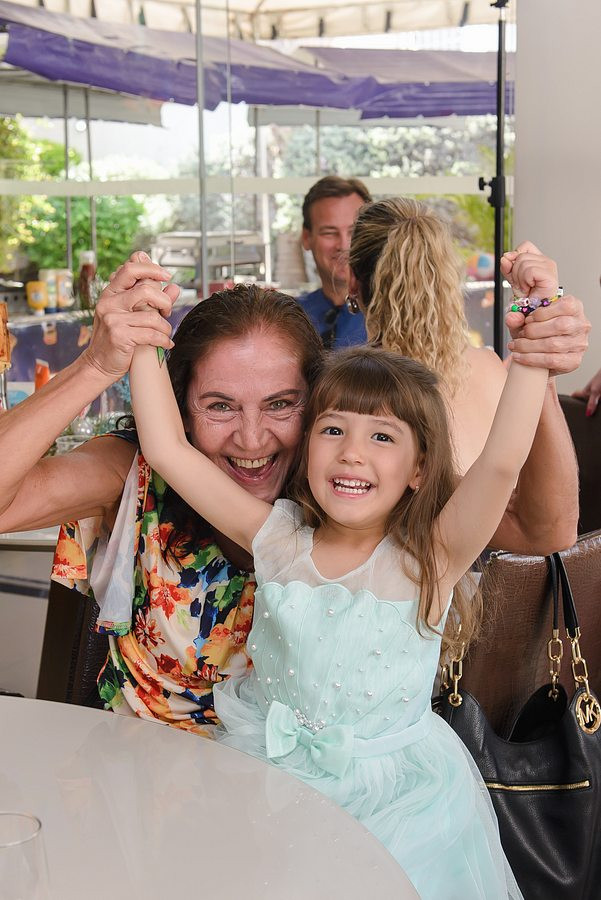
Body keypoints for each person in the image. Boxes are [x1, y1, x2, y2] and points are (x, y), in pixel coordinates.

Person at [0, 244, 587, 728]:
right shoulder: (174, 487)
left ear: (315, 402)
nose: (252, 438)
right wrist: (103, 363)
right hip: (154, 780)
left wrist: (538, 352)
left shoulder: (395, 518)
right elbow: (165, 448)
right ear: (181, 407)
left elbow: (533, 512)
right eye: (220, 406)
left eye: (282, 404)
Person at [128, 312, 547, 897]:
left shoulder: (431, 559)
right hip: (269, 779)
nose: (352, 453)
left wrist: (532, 354)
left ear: (420, 468)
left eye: (382, 436)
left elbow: (501, 463)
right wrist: (141, 335)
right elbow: (168, 449)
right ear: (308, 449)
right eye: (332, 430)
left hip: (398, 803)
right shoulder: (277, 540)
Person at [347, 197, 591, 553]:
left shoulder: (355, 397)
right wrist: (540, 338)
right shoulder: (491, 367)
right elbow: (552, 527)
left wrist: (541, 346)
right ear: (447, 280)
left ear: (353, 281)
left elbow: (546, 531)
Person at [298, 175, 371, 348]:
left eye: (354, 232)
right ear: (306, 238)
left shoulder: (396, 317)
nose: (344, 245)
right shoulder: (289, 318)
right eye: (329, 233)